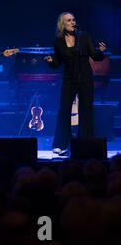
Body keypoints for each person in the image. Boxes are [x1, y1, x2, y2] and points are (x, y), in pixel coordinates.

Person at [45, 12, 107, 154]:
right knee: (64, 110)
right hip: (69, 79)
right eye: (69, 20)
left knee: (86, 110)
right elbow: (58, 62)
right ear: (62, 24)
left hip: (85, 78)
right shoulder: (58, 41)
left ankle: (86, 142)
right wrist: (51, 61)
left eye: (73, 20)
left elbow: (95, 56)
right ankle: (61, 144)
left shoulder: (83, 37)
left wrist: (101, 51)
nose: (72, 22)